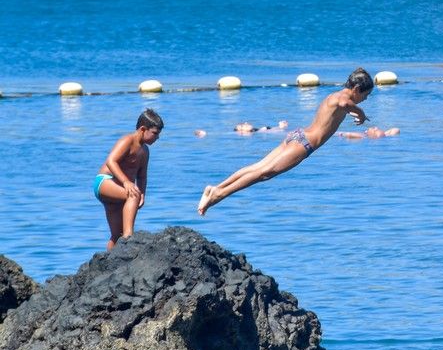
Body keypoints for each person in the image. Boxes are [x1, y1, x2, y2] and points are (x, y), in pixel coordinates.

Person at [198, 68, 373, 215]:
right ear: (356, 89)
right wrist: (361, 113)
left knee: (258, 167)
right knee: (264, 173)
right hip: (304, 144)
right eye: (366, 95)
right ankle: (218, 195)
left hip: (297, 135)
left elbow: (342, 106)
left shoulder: (335, 95)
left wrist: (356, 112)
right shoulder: (342, 98)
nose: (365, 99)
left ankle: (214, 188)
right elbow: (344, 104)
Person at [94, 108, 164, 249]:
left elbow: (142, 175)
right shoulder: (127, 140)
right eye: (155, 134)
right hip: (105, 181)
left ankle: (111, 262)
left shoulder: (145, 151)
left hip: (119, 190)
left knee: (116, 234)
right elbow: (111, 161)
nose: (157, 138)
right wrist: (126, 182)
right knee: (133, 194)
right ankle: (129, 237)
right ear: (143, 129)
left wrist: (143, 193)